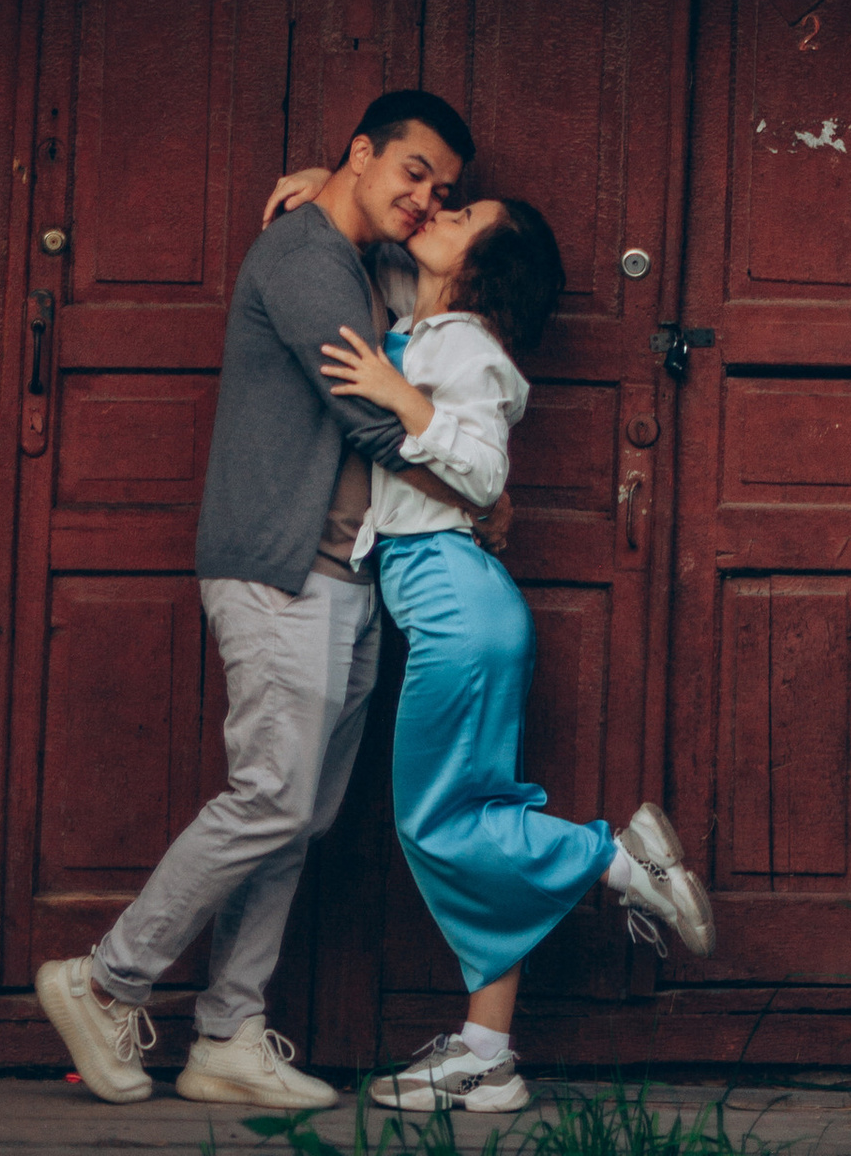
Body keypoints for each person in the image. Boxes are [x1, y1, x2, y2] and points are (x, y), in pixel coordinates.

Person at [32, 88, 476, 1110]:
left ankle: (228, 1031)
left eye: (441, 190)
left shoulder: (357, 258)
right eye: (409, 173)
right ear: (360, 150)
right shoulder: (306, 259)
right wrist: (474, 490)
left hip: (345, 572)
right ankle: (104, 980)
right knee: (271, 796)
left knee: (299, 814)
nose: (421, 199)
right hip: (281, 569)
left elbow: (433, 294)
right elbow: (370, 421)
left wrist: (348, 202)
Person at [319, 187, 715, 1113]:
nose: (434, 217)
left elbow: (485, 469)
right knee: (478, 815)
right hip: (466, 605)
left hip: (456, 608)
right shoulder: (429, 323)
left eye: (457, 222)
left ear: (479, 271)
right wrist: (318, 185)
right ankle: (487, 1054)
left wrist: (397, 397)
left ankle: (619, 863)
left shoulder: (457, 346)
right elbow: (369, 232)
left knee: (440, 823)